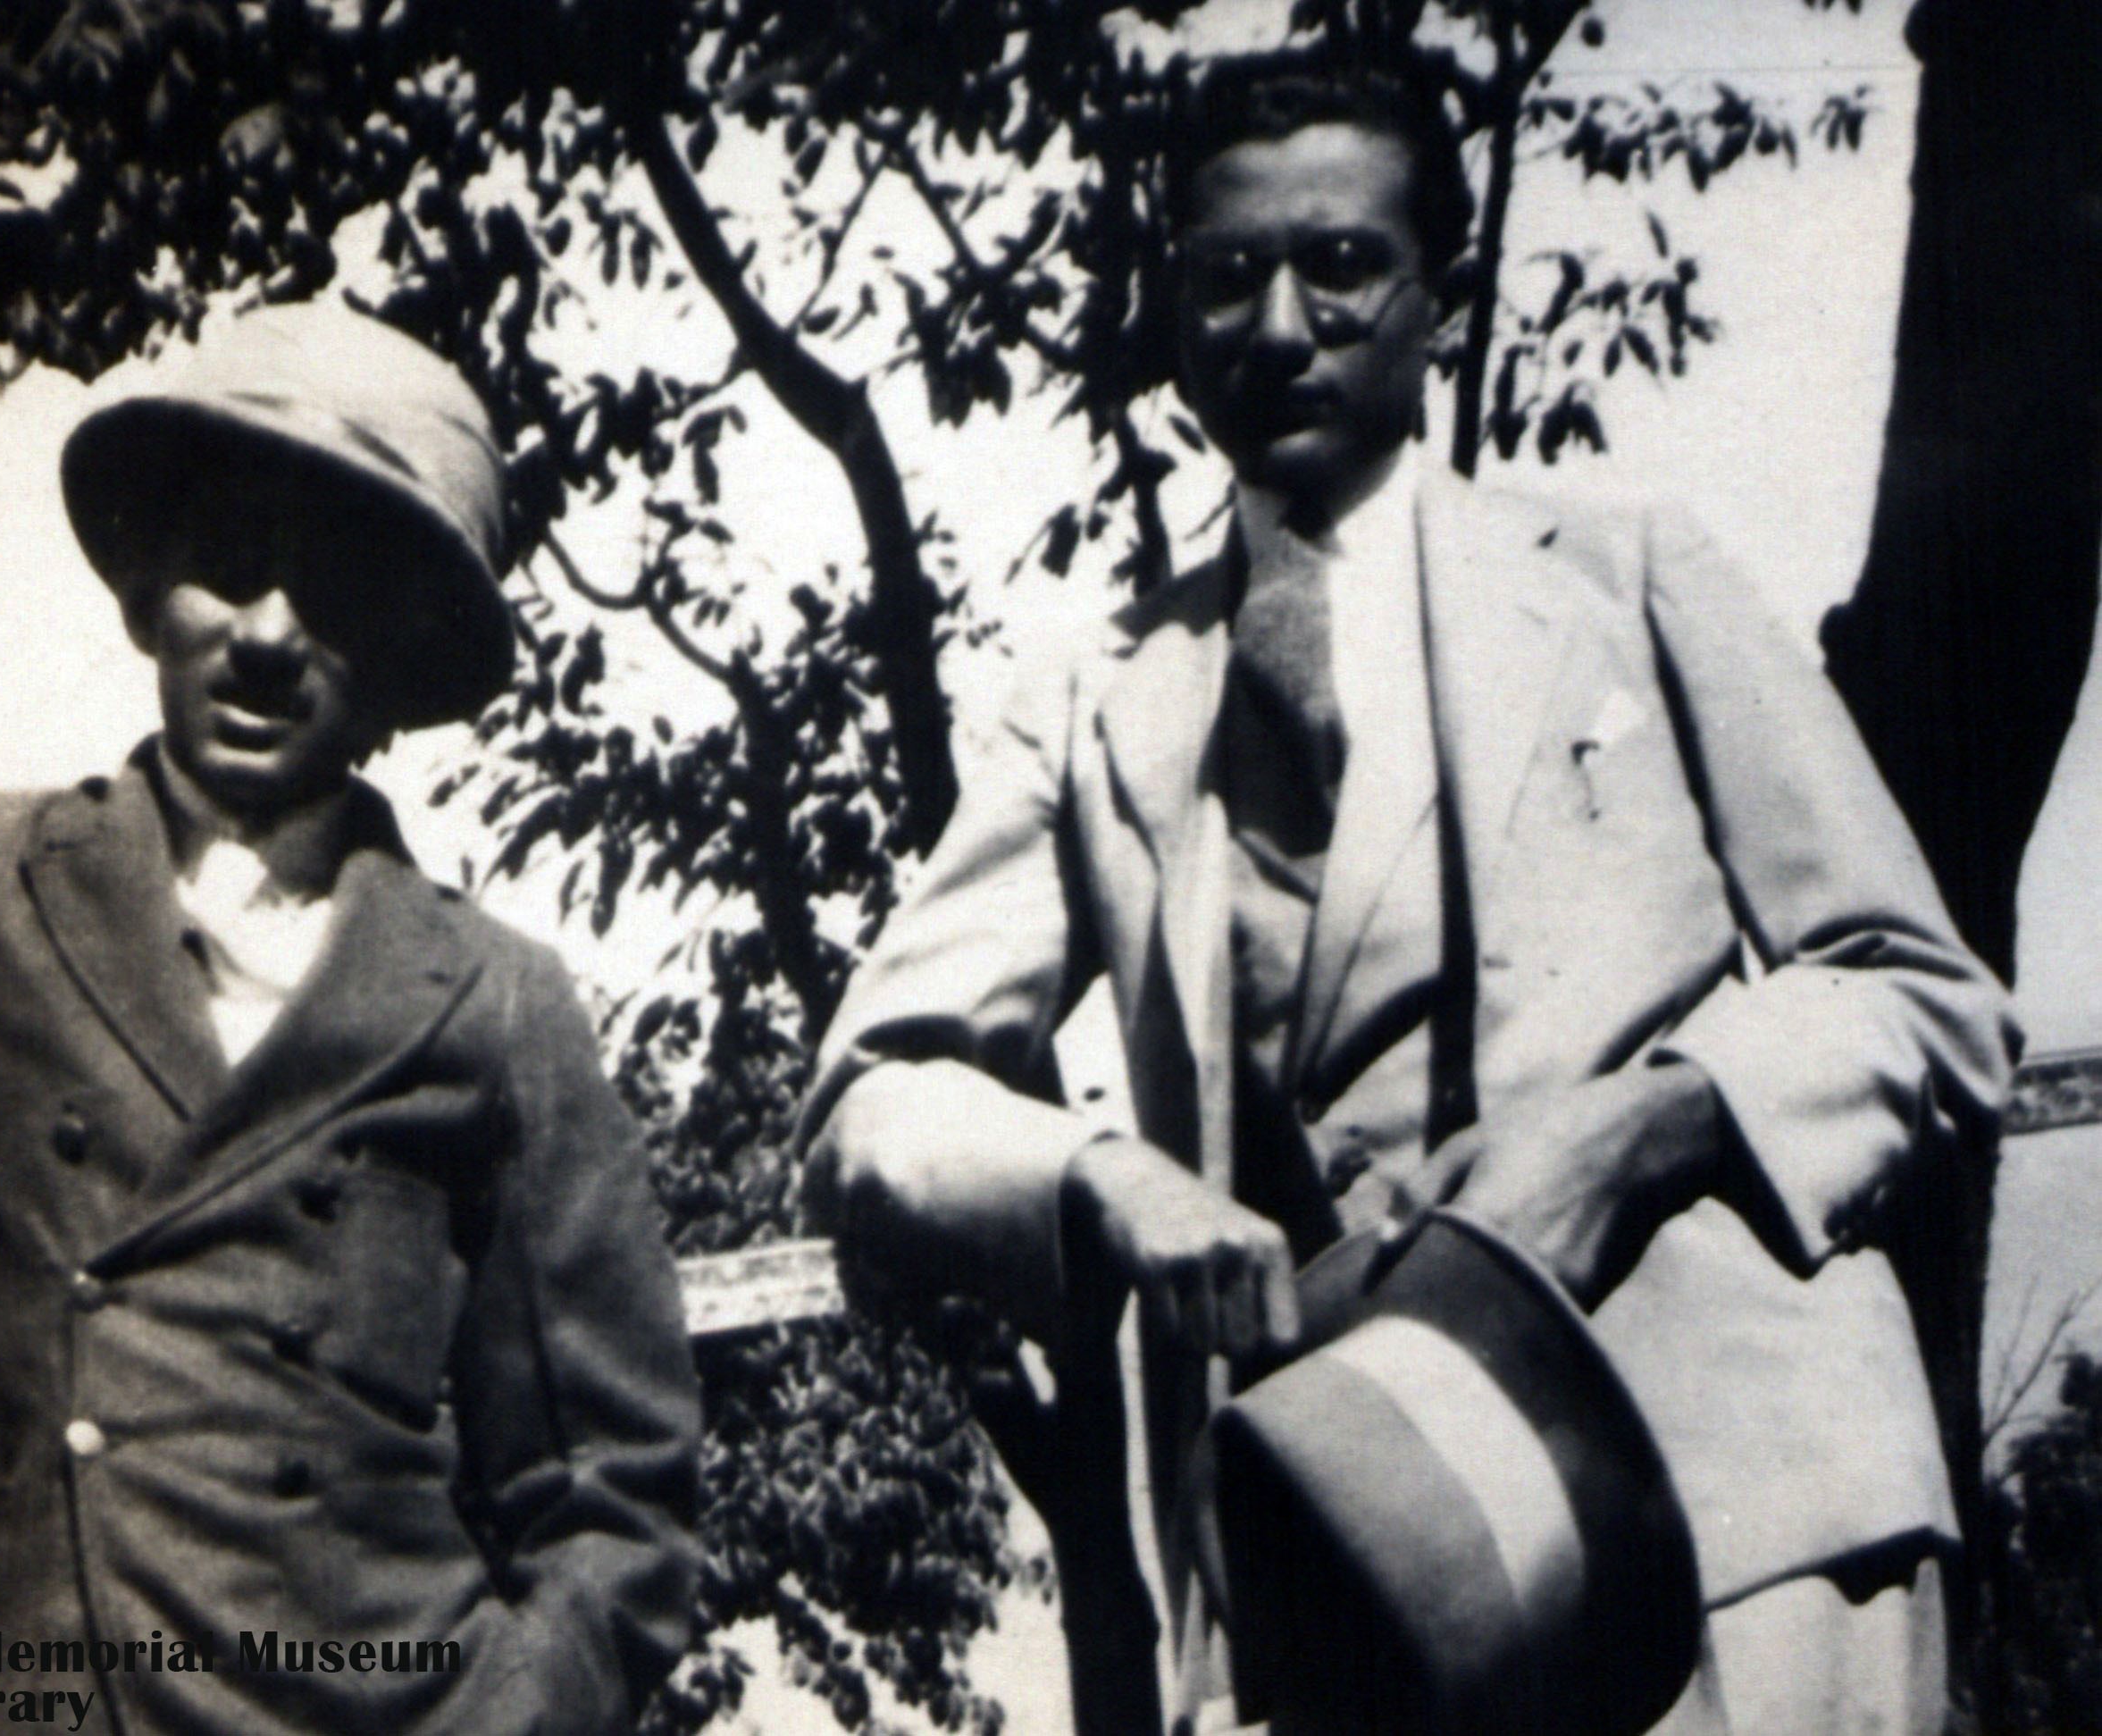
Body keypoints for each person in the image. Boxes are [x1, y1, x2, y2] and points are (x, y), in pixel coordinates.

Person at [799, 53, 2017, 1736]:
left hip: (1747, 1513)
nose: (1280, 324)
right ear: (1172, 315)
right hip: (1372, 1574)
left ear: (1436, 300)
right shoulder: (1095, 697)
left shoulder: (1623, 577)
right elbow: (868, 1103)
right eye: (1225, 279)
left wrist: (1643, 1129)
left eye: (1341, 266)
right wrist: (1105, 1183)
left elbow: (1922, 994)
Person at [0, 302, 703, 1735]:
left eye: (333, 589)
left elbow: (614, 1501)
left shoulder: (493, 997)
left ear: (400, 654)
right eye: (226, 565)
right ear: (149, 591)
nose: (267, 634)